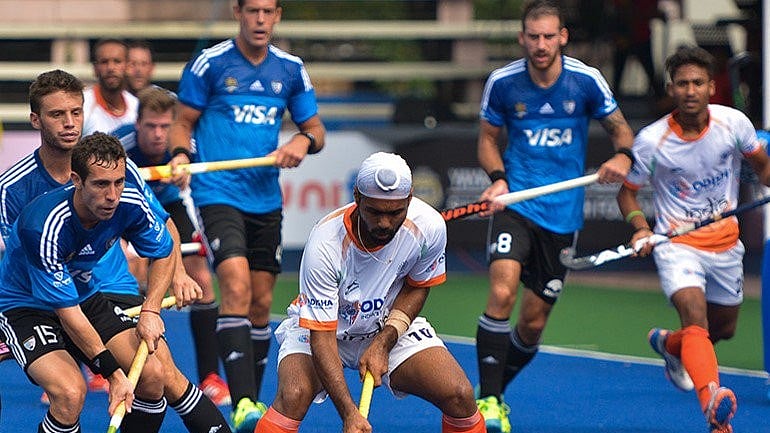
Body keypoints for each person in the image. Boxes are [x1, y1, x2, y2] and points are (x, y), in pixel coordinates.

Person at [0, 70, 231, 433]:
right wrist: (111, 371)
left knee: (157, 372)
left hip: (99, 291)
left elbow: (161, 225)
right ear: (35, 119)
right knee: (70, 392)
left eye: (76, 112)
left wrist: (173, 280)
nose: (69, 123)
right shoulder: (16, 192)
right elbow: (34, 273)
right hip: (39, 300)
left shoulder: (114, 168)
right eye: (57, 115)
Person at [473, 1, 636, 432]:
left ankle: (492, 392)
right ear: (522, 38)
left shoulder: (585, 81)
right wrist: (498, 178)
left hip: (563, 217)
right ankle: (487, 402)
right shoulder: (504, 83)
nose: (541, 45)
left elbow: (622, 131)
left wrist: (622, 156)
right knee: (503, 292)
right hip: (517, 204)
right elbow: (488, 140)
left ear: (563, 36)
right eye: (533, 36)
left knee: (532, 322)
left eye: (549, 36)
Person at [169, 0, 326, 430]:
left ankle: (250, 403)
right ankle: (242, 403)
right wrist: (181, 153)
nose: (260, 20)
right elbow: (182, 122)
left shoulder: (291, 69)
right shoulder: (211, 63)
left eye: (269, 11)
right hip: (217, 193)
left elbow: (315, 130)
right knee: (235, 285)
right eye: (252, 10)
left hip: (265, 199)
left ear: (278, 15)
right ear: (237, 12)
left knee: (260, 303)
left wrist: (302, 142)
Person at [255, 152, 485, 433]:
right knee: (294, 395)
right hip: (326, 330)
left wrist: (384, 341)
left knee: (460, 395)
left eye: (395, 212)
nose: (385, 223)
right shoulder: (325, 244)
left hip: (384, 323)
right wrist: (350, 413)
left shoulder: (429, 226)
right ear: (357, 197)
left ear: (409, 199)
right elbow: (323, 337)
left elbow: (416, 285)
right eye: (375, 212)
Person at [617, 45, 770, 433]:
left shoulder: (733, 124)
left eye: (697, 82)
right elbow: (627, 193)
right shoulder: (652, 141)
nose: (690, 90)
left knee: (723, 329)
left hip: (725, 244)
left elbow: (763, 168)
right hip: (677, 244)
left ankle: (672, 346)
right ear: (671, 88)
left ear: (711, 86)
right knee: (695, 318)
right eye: (682, 83)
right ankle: (714, 410)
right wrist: (640, 228)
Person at [0, 133, 175, 433]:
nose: (112, 195)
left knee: (151, 375)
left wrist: (151, 309)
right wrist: (113, 374)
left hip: (83, 295)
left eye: (119, 182)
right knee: (70, 393)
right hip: (24, 305)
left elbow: (164, 250)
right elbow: (67, 312)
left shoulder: (127, 201)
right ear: (76, 181)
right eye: (101, 184)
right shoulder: (42, 224)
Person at [114, 86, 230, 407]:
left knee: (204, 282)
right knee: (119, 273)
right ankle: (108, 367)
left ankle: (210, 378)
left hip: (168, 207)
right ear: (137, 124)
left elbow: (206, 186)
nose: (158, 134)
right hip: (123, 211)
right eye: (150, 126)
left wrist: (188, 175)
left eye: (165, 126)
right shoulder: (119, 146)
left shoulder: (186, 147)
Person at [83, 38, 138, 135]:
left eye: (117, 61)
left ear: (128, 67)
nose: (110, 68)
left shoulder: (136, 107)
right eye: (104, 62)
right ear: (95, 69)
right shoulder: (82, 105)